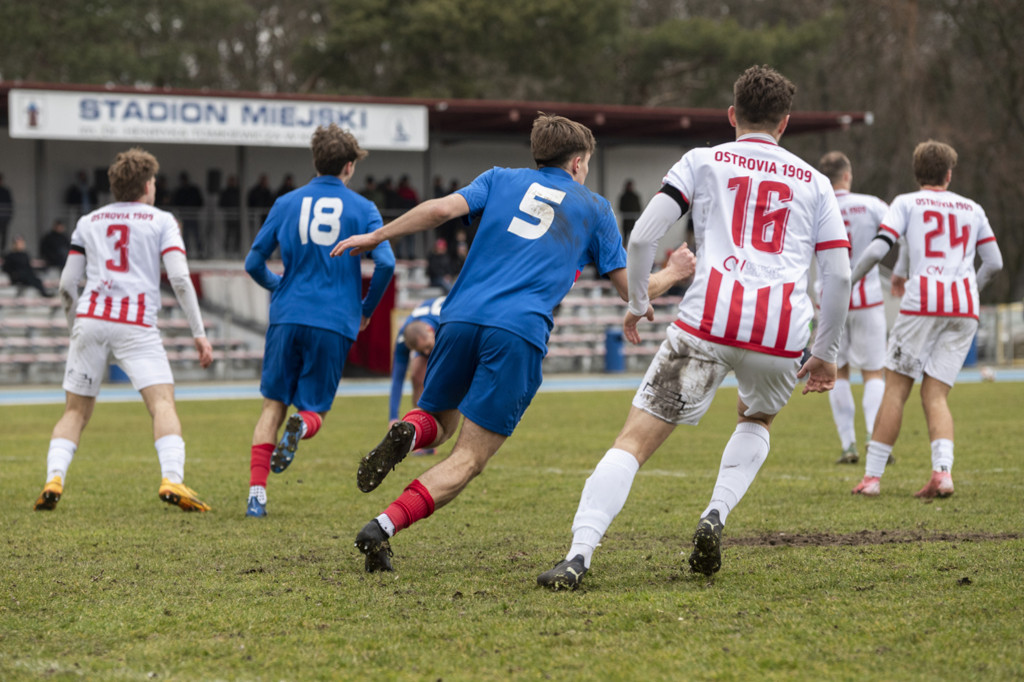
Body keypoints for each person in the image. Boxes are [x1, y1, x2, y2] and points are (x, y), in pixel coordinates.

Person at [331, 112, 695, 574]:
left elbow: (441, 209)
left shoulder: (500, 178)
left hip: (458, 317)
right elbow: (631, 290)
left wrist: (376, 235)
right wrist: (675, 272)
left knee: (438, 421)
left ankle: (409, 431)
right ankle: (383, 526)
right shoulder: (597, 208)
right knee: (468, 458)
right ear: (579, 162)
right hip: (517, 331)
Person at [537, 65, 852, 589]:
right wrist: (826, 351)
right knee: (756, 420)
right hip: (779, 331)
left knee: (633, 442)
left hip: (707, 320)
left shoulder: (702, 160)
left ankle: (579, 555)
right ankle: (715, 515)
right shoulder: (816, 183)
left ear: (732, 115)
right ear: (785, 124)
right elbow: (838, 273)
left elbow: (641, 238)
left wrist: (638, 301)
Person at [33, 147, 214, 512]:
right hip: (136, 324)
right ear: (148, 184)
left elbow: (67, 283)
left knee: (75, 412)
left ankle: (54, 477)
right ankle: (172, 478)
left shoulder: (88, 221)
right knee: (161, 403)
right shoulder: (162, 221)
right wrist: (199, 332)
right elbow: (179, 277)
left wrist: (75, 327)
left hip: (91, 319)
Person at [243, 123, 395, 518]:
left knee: (271, 407)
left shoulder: (286, 203)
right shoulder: (363, 209)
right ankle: (304, 424)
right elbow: (386, 263)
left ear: (315, 161)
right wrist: (365, 310)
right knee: (316, 411)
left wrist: (278, 285)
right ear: (348, 166)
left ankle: (256, 497)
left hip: (288, 314)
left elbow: (253, 262)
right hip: (334, 319)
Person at [850, 140, 1002, 499]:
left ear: (917, 174)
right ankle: (943, 472)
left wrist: (848, 280)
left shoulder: (906, 202)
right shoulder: (972, 207)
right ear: (949, 174)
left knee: (896, 388)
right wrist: (972, 290)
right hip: (964, 307)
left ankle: (872, 478)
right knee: (936, 394)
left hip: (923, 304)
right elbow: (994, 262)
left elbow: (879, 247)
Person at [817, 152, 890, 465]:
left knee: (839, 373)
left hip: (831, 303)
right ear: (847, 175)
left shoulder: (816, 205)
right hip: (868, 299)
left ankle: (848, 445)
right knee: (874, 372)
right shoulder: (871, 204)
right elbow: (895, 233)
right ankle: (875, 440)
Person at [388, 296, 444, 455]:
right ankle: (425, 438)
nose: (427, 353)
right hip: (434, 334)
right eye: (422, 351)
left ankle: (479, 435)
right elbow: (397, 379)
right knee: (417, 375)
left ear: (429, 331)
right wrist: (393, 417)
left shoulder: (445, 324)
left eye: (427, 347)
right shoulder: (404, 338)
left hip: (454, 331)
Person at [172, 172, 205, 257]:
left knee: (196, 235)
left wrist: (195, 209)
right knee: (185, 236)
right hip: (184, 216)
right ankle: (186, 254)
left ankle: (200, 253)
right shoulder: (180, 191)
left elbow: (200, 201)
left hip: (194, 215)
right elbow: (176, 202)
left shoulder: (193, 190)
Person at [618, 179, 642, 246]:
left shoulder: (635, 197)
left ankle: (632, 249)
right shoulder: (623, 197)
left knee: (633, 237)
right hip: (626, 221)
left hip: (633, 221)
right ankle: (625, 250)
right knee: (625, 237)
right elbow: (620, 208)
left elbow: (638, 208)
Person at [0, 173, 13, 253]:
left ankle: (2, 251)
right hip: (4, 217)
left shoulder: (6, 191)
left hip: (4, 218)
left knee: (4, 236)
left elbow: (10, 205)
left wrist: (8, 217)